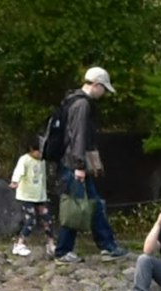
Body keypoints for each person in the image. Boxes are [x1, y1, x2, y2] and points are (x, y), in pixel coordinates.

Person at [47, 64, 116, 259]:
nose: (104, 93)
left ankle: (108, 245)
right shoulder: (82, 105)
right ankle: (63, 250)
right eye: (103, 88)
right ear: (96, 85)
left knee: (93, 204)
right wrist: (80, 166)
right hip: (73, 164)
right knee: (75, 208)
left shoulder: (71, 100)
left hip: (70, 162)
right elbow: (79, 137)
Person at [6, 139, 48, 257]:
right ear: (31, 150)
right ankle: (20, 244)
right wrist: (15, 181)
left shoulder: (42, 161)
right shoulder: (24, 160)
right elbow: (18, 172)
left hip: (39, 195)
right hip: (26, 196)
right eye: (38, 151)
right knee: (31, 220)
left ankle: (51, 244)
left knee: (47, 219)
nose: (40, 154)